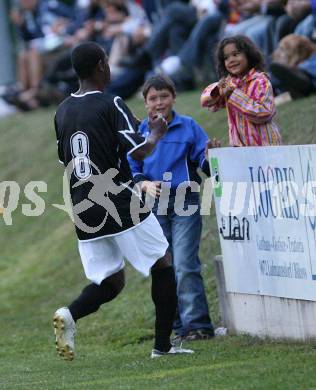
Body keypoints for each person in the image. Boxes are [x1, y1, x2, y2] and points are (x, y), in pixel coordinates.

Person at [53, 41, 194, 360]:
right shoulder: (110, 102)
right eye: (107, 60)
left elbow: (66, 162)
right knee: (163, 261)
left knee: (111, 282)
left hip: (82, 207)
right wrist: (156, 132)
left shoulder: (62, 110)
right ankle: (163, 346)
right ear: (102, 65)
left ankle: (69, 315)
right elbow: (138, 150)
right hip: (118, 199)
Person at [128, 75, 215, 341]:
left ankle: (197, 325)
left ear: (174, 98)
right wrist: (143, 185)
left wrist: (212, 156)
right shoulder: (140, 133)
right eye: (152, 98)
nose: (159, 102)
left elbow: (204, 161)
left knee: (186, 263)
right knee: (164, 267)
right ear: (145, 104)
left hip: (185, 202)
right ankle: (175, 326)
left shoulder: (188, 127)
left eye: (164, 96)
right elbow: (132, 168)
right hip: (153, 207)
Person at [201, 35, 282, 146]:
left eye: (235, 54)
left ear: (249, 55)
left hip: (265, 147)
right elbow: (210, 105)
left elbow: (265, 113)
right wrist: (217, 92)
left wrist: (233, 95)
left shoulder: (260, 81)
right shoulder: (229, 83)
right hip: (240, 148)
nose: (231, 60)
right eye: (226, 58)